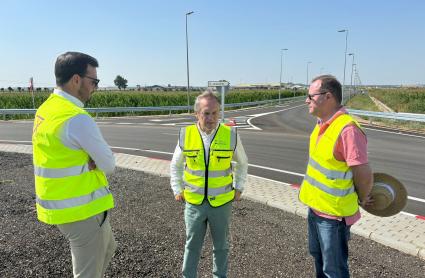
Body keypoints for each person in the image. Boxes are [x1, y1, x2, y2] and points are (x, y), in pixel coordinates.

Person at [32, 52, 117, 278]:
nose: (96, 87)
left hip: (61, 205)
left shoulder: (46, 109)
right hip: (82, 209)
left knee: (108, 247)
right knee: (88, 272)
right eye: (94, 81)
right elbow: (108, 164)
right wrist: (95, 161)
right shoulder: (76, 118)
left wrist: (91, 160)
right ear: (76, 80)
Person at [299, 75, 373, 278]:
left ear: (327, 96)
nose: (306, 100)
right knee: (318, 258)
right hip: (316, 209)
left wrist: (363, 197)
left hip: (333, 216)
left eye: (310, 96)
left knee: (334, 270)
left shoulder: (347, 129)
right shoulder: (322, 124)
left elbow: (363, 173)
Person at [170, 90, 248, 278]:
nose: (211, 118)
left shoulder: (230, 135)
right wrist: (177, 188)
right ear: (197, 113)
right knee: (192, 245)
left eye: (215, 113)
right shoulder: (186, 134)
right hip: (194, 203)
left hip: (221, 204)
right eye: (206, 113)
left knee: (221, 246)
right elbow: (175, 165)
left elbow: (242, 163)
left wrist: (239, 187)